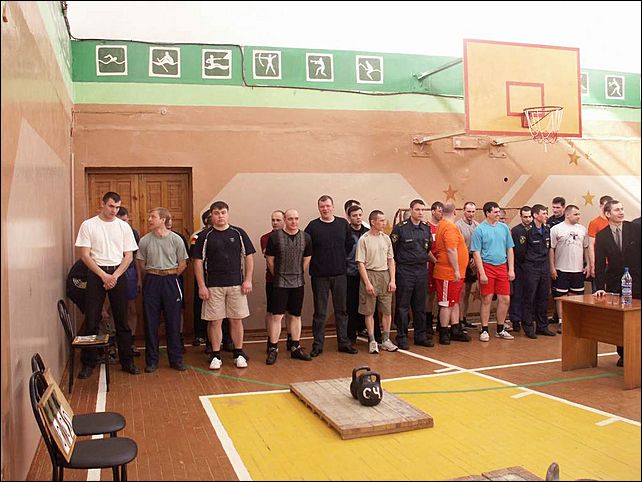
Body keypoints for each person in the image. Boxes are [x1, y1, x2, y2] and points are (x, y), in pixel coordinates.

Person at [74, 191, 140, 378]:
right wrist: (103, 276)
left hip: (118, 274)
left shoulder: (123, 227)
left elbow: (129, 256)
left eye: (117, 207)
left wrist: (115, 276)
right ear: (102, 204)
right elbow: (85, 255)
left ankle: (127, 361)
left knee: (122, 320)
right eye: (111, 206)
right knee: (92, 320)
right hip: (96, 274)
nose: (114, 210)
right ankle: (89, 363)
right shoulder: (88, 225)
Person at [193, 201, 255, 370]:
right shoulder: (205, 236)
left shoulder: (239, 233)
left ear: (227, 214)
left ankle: (238, 353)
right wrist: (201, 286)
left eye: (223, 212)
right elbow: (198, 261)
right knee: (215, 322)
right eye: (216, 213)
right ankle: (215, 355)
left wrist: (248, 280)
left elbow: (248, 256)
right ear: (211, 216)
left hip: (236, 285)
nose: (220, 216)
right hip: (213, 286)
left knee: (236, 320)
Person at [136, 208, 189, 372]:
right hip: (152, 280)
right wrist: (155, 274)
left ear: (163, 220)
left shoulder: (176, 239)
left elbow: (183, 263)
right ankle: (151, 361)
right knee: (150, 322)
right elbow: (141, 264)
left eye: (153, 217)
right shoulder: (144, 241)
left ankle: (176, 359)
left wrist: (169, 275)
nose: (150, 219)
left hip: (171, 281)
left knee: (173, 321)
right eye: (149, 216)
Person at [305, 195, 358, 357]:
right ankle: (318, 345)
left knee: (341, 311)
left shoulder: (342, 224)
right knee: (320, 313)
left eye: (328, 206)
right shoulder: (312, 227)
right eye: (322, 206)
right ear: (319, 208)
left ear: (333, 207)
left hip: (340, 275)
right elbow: (307, 248)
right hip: (319, 276)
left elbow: (349, 245)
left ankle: (344, 342)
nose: (325, 209)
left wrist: (338, 260)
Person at [593, 200, 641, 367]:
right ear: (607, 214)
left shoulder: (635, 229)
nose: (621, 212)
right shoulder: (602, 235)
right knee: (621, 320)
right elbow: (599, 263)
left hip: (637, 280)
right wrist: (600, 287)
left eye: (622, 209)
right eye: (616, 210)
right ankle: (623, 354)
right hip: (615, 283)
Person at [264, 209, 313, 364]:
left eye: (296, 218)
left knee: (295, 315)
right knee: (277, 316)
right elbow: (270, 260)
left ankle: (295, 347)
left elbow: (307, 258)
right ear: (285, 220)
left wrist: (298, 273)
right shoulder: (275, 237)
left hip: (298, 283)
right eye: (290, 219)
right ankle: (273, 348)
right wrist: (279, 275)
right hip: (280, 282)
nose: (294, 222)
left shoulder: (306, 237)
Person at [391, 199, 436, 350]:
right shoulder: (400, 229)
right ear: (411, 210)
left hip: (421, 270)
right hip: (405, 270)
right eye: (417, 209)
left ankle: (420, 336)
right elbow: (393, 249)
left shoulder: (425, 228)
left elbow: (427, 248)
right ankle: (402, 337)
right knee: (403, 306)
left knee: (419, 305)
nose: (420, 212)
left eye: (422, 210)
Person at [470, 201, 515, 342]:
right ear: (487, 213)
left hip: (502, 266)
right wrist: (482, 273)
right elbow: (476, 253)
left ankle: (500, 329)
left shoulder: (504, 228)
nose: (498, 214)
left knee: (505, 299)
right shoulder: (479, 230)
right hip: (486, 266)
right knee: (486, 299)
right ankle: (484, 329)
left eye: (498, 212)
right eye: (495, 212)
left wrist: (511, 269)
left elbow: (510, 248)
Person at [356, 210, 397, 354]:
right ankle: (372, 340)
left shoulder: (386, 239)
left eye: (384, 220)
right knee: (369, 311)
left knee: (386, 310)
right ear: (373, 222)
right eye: (381, 220)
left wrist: (392, 280)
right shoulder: (364, 239)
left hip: (384, 275)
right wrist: (367, 283)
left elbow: (391, 260)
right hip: (370, 274)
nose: (384, 223)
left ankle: (385, 339)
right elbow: (360, 263)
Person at [432, 203, 472, 345]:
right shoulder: (449, 227)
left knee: (454, 302)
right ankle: (444, 332)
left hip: (454, 273)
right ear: (455, 212)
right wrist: (456, 270)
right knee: (446, 303)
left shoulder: (443, 225)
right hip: (448, 273)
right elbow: (451, 249)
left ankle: (455, 329)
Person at [549, 205, 590, 334]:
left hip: (577, 269)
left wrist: (588, 264)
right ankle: (562, 321)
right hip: (561, 268)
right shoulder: (556, 229)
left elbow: (586, 248)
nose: (578, 216)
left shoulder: (582, 229)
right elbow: (551, 249)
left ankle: (573, 321)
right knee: (561, 297)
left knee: (576, 296)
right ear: (567, 215)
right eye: (576, 214)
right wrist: (552, 267)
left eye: (579, 214)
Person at [521, 204, 556, 338]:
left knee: (543, 297)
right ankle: (528, 326)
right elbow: (521, 252)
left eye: (547, 213)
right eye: (543, 213)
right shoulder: (527, 231)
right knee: (529, 297)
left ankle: (542, 326)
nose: (546, 216)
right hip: (531, 267)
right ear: (535, 215)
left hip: (544, 267)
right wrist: (529, 263)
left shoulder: (547, 229)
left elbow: (548, 248)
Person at [260, 210, 290, 351]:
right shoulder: (266, 238)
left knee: (290, 312)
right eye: (273, 220)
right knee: (272, 311)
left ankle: (291, 339)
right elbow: (270, 258)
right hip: (273, 280)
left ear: (284, 220)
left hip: (291, 281)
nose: (275, 223)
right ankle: (271, 340)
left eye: (278, 220)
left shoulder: (293, 236)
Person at [116, 207, 141, 356]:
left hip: (130, 273)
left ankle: (130, 342)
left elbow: (136, 257)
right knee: (111, 309)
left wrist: (139, 278)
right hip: (112, 272)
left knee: (132, 309)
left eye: (126, 221)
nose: (125, 224)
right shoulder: (108, 231)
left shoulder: (133, 233)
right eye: (122, 221)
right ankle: (112, 343)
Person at [165, 216, 190, 352]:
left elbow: (184, 261)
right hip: (156, 279)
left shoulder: (179, 238)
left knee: (178, 309)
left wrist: (172, 276)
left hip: (174, 279)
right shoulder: (148, 239)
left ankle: (178, 338)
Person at [508, 206, 532, 333]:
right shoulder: (516, 231)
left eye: (529, 216)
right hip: (519, 266)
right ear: (521, 217)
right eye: (525, 217)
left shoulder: (536, 229)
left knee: (530, 294)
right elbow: (512, 250)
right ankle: (515, 320)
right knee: (517, 294)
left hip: (532, 268)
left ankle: (528, 319)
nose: (528, 219)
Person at [455, 201, 479, 329]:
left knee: (468, 290)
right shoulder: (457, 226)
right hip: (461, 258)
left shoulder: (477, 225)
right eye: (469, 211)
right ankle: (458, 320)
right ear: (463, 211)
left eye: (473, 211)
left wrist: (475, 258)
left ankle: (464, 318)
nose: (471, 214)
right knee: (461, 291)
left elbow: (479, 244)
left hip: (473, 258)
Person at [190, 211, 212, 348]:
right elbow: (194, 258)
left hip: (218, 277)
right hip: (202, 275)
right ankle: (200, 334)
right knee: (200, 305)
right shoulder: (197, 236)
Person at [587, 195, 613, 282]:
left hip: (614, 262)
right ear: (601, 206)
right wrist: (593, 264)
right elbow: (591, 245)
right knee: (599, 288)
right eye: (605, 206)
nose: (607, 208)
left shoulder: (615, 222)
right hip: (600, 262)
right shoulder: (595, 223)